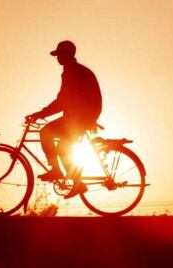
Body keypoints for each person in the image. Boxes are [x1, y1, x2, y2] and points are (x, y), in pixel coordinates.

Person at [26, 40, 102, 199]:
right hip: (80, 116)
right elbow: (65, 100)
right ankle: (73, 180)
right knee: (62, 146)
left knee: (46, 132)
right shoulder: (75, 70)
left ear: (66, 55)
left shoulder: (72, 72)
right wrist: (42, 113)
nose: (57, 58)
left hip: (80, 117)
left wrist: (40, 114)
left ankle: (60, 173)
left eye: (59, 54)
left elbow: (63, 101)